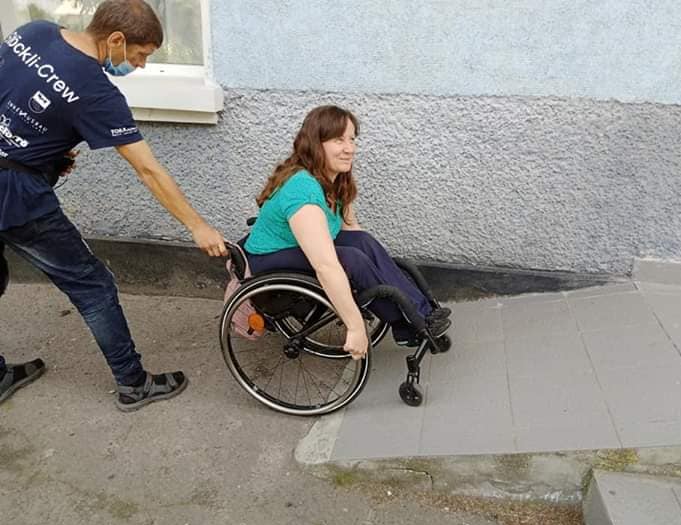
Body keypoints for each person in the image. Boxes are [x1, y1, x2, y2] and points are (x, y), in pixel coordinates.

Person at [0, 0, 228, 411]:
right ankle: (133, 383)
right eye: (140, 55)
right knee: (93, 285)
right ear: (117, 39)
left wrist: (44, 153)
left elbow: (15, 91)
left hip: (14, 174)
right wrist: (197, 226)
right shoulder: (97, 92)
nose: (140, 65)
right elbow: (148, 170)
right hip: (16, 197)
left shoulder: (33, 33)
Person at [243, 105, 451, 360]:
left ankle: (423, 313)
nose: (349, 148)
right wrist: (355, 326)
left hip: (296, 247)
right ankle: (406, 324)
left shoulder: (336, 179)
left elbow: (353, 232)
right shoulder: (302, 188)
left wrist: (374, 267)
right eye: (338, 140)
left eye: (352, 139)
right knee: (352, 260)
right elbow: (326, 266)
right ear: (315, 143)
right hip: (268, 259)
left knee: (363, 243)